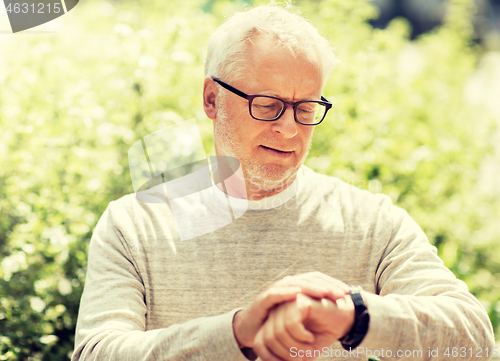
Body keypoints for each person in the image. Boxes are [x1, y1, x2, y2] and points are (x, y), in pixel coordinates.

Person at [72, 4, 495, 361]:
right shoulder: (136, 223)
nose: (290, 130)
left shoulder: (372, 223)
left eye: (306, 108)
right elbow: (97, 351)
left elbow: (476, 340)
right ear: (212, 100)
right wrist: (238, 334)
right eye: (268, 105)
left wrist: (355, 317)